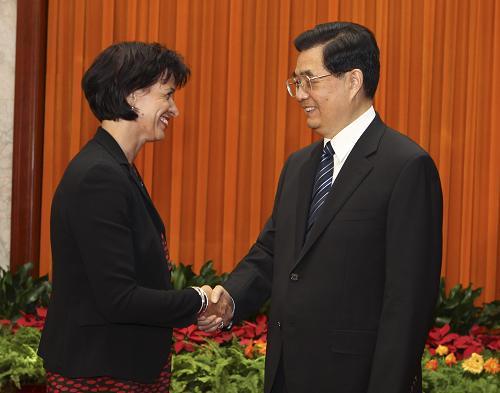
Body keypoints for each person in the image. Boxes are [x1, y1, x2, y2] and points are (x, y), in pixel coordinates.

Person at [199, 22, 443, 393]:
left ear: (353, 80)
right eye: (295, 82)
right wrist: (231, 298)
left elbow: (406, 303)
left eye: (310, 81)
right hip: (286, 375)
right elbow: (271, 251)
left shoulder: (406, 166)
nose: (299, 94)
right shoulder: (299, 165)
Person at [38, 42, 229, 392]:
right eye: (167, 95)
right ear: (131, 96)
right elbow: (119, 299)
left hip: (123, 367)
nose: (175, 109)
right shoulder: (100, 176)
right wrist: (199, 300)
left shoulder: (115, 168)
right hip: (101, 374)